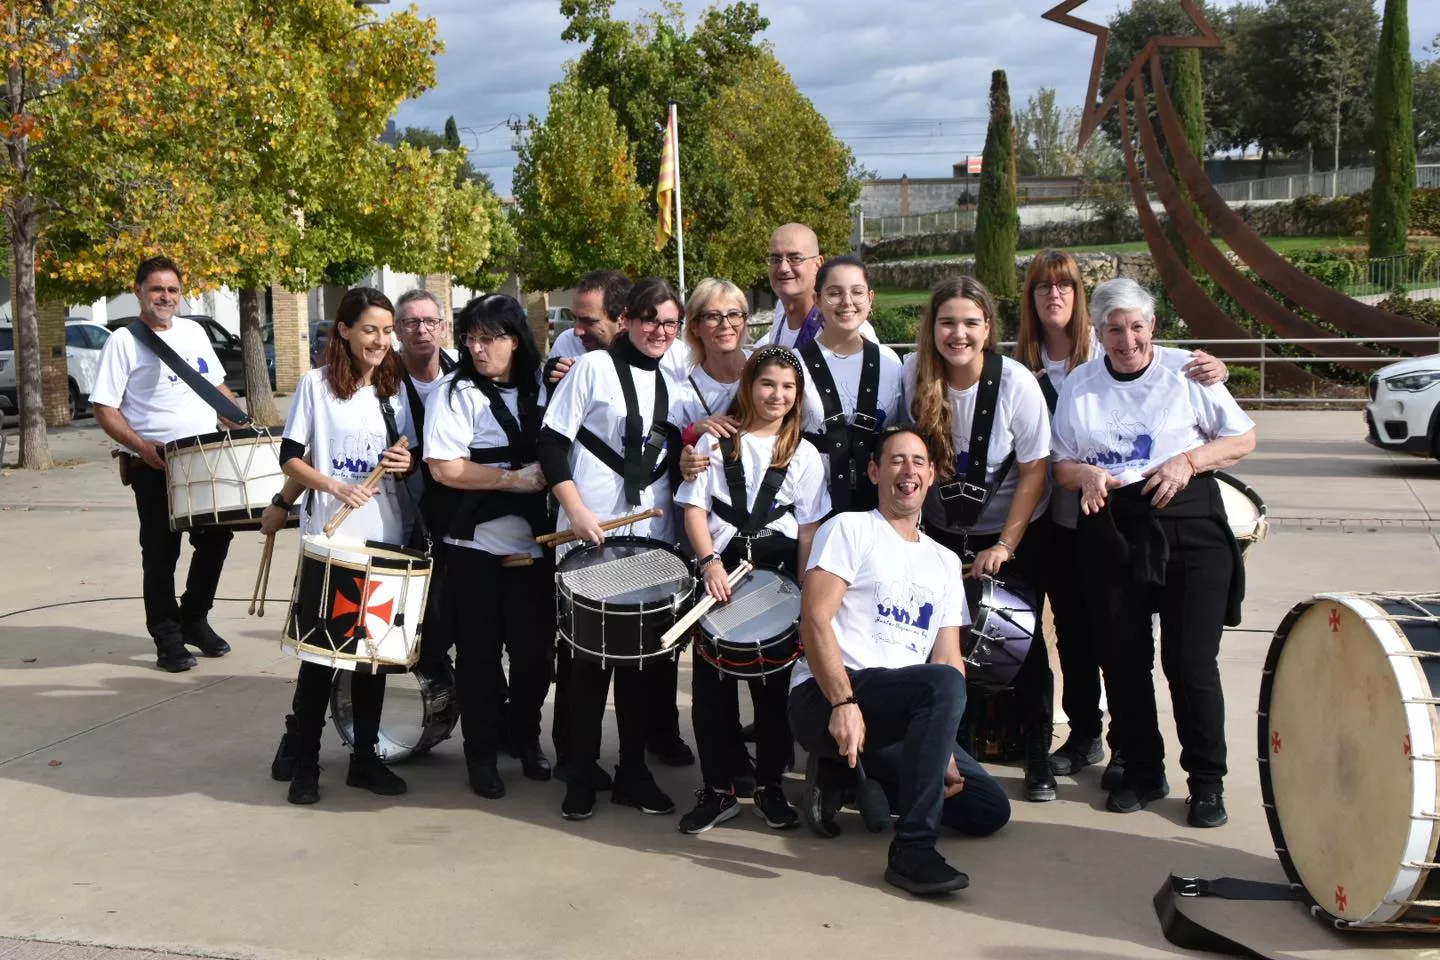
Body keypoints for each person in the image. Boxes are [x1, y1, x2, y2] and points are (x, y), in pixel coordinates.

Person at [1013, 250, 1226, 789]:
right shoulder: (1028, 367)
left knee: (1167, 657)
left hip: (1146, 522)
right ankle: (1094, 739)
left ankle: (1155, 761)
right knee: (1090, 643)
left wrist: (1192, 450)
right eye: (1042, 288)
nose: (1053, 296)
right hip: (1069, 522)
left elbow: (1230, 428)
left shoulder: (1146, 358)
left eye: (1063, 286)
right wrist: (1078, 476)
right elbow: (1050, 458)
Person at [1051, 277, 1255, 828]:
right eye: (1114, 329)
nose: (1127, 339)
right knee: (1122, 660)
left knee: (1189, 664)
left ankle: (1207, 781)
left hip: (1188, 524)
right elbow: (1060, 462)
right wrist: (1084, 473)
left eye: (1136, 326)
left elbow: (1241, 438)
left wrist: (1188, 461)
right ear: (1096, 332)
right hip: (1112, 527)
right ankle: (1143, 769)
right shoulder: (1080, 384)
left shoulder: (1188, 370)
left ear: (1152, 327)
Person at [789, 426, 1010, 897]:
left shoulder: (945, 561)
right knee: (941, 687)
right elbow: (814, 619)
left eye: (917, 462)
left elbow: (949, 656)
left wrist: (942, 745)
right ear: (874, 471)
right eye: (895, 461)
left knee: (988, 809)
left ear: (931, 476)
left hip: (901, 712)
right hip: (828, 697)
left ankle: (841, 780)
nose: (907, 471)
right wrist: (844, 701)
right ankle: (912, 852)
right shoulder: (848, 528)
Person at [901, 275, 1057, 802]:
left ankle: (1038, 753)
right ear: (932, 327)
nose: (958, 333)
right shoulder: (914, 374)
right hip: (944, 532)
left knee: (1022, 642)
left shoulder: (1016, 383)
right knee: (947, 647)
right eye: (947, 322)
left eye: (970, 322)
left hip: (1007, 532)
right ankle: (959, 754)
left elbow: (1036, 469)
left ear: (988, 329)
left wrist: (1004, 546)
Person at [538, 277, 686, 820]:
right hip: (590, 538)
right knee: (586, 665)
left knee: (640, 668)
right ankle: (579, 771)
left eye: (670, 322)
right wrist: (575, 511)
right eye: (650, 319)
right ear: (626, 319)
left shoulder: (676, 380)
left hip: (650, 542)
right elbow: (552, 442)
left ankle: (632, 772)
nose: (658, 331)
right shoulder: (592, 369)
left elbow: (687, 448)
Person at [673, 347, 830, 834]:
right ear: (748, 386)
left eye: (788, 388)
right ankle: (717, 789)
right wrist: (709, 563)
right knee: (710, 695)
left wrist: (805, 594)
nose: (777, 395)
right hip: (718, 580)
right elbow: (695, 510)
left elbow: (808, 528)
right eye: (767, 385)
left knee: (772, 695)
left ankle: (770, 786)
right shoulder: (716, 445)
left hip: (777, 582)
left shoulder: (803, 453)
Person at [273, 286, 416, 805]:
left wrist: (408, 464)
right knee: (322, 660)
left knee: (372, 661)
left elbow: (414, 457)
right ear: (345, 331)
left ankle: (363, 761)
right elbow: (291, 457)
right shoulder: (316, 385)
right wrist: (333, 486)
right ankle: (305, 765)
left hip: (388, 540)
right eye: (370, 330)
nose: (380, 340)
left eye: (386, 330)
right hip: (333, 544)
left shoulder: (397, 387)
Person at [424, 294, 553, 799]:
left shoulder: (542, 387)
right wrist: (512, 481)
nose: (479, 349)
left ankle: (524, 739)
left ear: (515, 340)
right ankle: (481, 754)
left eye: (491, 338)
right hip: (473, 548)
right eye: (471, 339)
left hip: (536, 548)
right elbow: (443, 467)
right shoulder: (454, 395)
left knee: (535, 659)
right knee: (478, 659)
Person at [91, 255, 240, 673]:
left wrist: (239, 420)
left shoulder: (193, 332)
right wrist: (139, 446)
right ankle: (166, 636)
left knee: (216, 539)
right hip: (154, 464)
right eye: (157, 289)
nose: (166, 297)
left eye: (173, 290)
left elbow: (215, 387)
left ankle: (193, 617)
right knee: (160, 551)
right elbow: (105, 408)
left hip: (204, 458)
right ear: (139, 290)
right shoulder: (123, 341)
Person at [796, 256, 903, 514]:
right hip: (811, 507)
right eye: (834, 293)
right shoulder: (794, 364)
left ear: (870, 298)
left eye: (857, 292)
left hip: (878, 509)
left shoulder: (890, 362)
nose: (847, 302)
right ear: (817, 299)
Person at [547, 269, 689, 388]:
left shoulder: (677, 357)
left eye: (589, 321)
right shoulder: (567, 343)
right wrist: (553, 388)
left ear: (623, 318)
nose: (577, 331)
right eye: (574, 318)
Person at [763, 223, 878, 348]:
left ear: (818, 264)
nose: (783, 268)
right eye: (775, 259)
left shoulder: (849, 329)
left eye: (795, 258)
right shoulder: (782, 309)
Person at [672, 278, 751, 440]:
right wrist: (693, 433)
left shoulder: (763, 367)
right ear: (695, 327)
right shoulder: (685, 394)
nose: (726, 324)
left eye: (734, 314)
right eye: (713, 316)